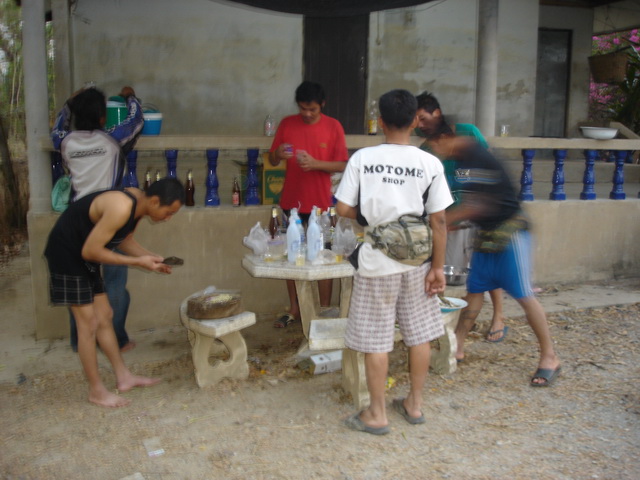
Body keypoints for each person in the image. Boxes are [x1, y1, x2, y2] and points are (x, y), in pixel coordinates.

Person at [335, 89, 453, 435]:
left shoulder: (363, 158)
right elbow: (439, 221)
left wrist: (370, 218)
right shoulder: (430, 163)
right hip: (418, 262)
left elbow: (342, 208)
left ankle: (377, 413)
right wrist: (437, 268)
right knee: (419, 334)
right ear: (415, 120)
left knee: (376, 339)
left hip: (377, 263)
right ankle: (414, 405)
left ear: (380, 122)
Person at [429, 133, 561, 386]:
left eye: (435, 141)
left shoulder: (479, 158)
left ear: (448, 137)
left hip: (510, 235)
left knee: (524, 295)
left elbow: (478, 205)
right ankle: (457, 346)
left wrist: (442, 222)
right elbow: (471, 204)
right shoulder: (462, 162)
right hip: (486, 235)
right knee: (475, 290)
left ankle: (550, 357)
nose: (434, 147)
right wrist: (449, 222)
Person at [43, 178, 185, 407]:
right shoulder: (121, 206)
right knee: (88, 323)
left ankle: (124, 377)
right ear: (155, 201)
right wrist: (137, 262)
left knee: (105, 315)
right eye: (168, 212)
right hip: (67, 254)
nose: (168, 218)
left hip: (85, 254)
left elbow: (123, 240)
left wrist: (151, 259)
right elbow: (90, 251)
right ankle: (96, 391)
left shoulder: (138, 205)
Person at [51, 85, 144, 352]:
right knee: (114, 283)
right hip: (110, 220)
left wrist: (68, 104)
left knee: (79, 286)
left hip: (77, 222)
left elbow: (57, 127)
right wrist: (130, 97)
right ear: (103, 117)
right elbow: (136, 121)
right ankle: (117, 340)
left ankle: (80, 342)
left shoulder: (65, 141)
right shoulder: (112, 140)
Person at [416, 91, 508, 343]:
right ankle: (453, 322)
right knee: (456, 273)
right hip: (450, 217)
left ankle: (498, 316)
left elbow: (489, 165)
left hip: (480, 212)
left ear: (436, 113)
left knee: (487, 267)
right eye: (416, 120)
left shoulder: (468, 132)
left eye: (423, 118)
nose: (419, 125)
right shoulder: (426, 149)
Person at [269, 81, 349, 328]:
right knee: (291, 257)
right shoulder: (287, 124)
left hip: (321, 205)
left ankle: (323, 309)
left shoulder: (333, 126)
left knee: (324, 258)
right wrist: (278, 154)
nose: (306, 113)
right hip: (290, 204)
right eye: (302, 108)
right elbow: (272, 159)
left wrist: (315, 164)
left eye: (312, 109)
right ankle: (295, 308)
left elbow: (343, 164)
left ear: (322, 105)